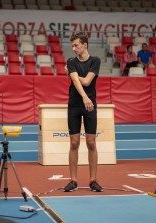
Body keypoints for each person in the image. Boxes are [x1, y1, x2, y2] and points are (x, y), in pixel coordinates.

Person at [64, 32, 103, 192]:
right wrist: (84, 96)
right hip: (74, 104)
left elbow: (87, 81)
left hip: (90, 105)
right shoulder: (71, 61)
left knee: (91, 142)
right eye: (72, 46)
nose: (73, 48)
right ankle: (73, 180)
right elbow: (77, 82)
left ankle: (93, 180)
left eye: (76, 45)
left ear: (85, 45)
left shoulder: (95, 61)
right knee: (74, 143)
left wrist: (71, 73)